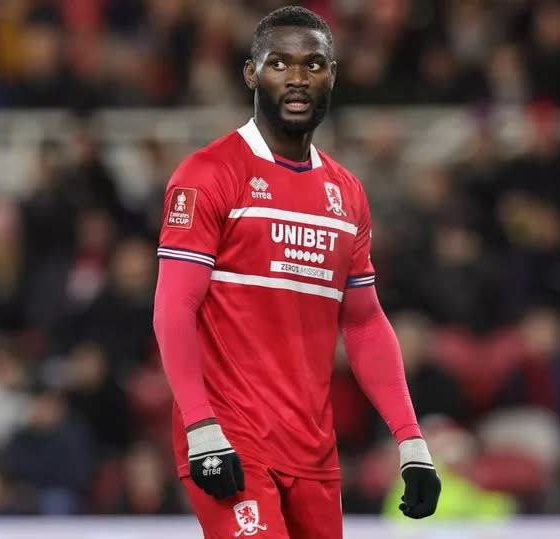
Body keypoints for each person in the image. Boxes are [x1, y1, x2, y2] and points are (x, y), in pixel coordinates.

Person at [152, 6, 441, 538]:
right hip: (230, 437)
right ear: (250, 73)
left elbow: (363, 323)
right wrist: (200, 426)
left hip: (313, 452)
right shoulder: (208, 174)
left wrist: (411, 441)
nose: (297, 79)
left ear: (333, 74)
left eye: (313, 65)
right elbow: (175, 307)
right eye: (279, 64)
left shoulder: (346, 193)